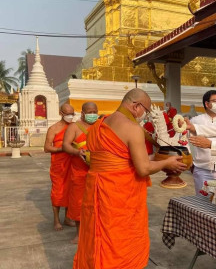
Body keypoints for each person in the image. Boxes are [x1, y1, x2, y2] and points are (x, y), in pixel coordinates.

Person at [74, 88, 187, 269]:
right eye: (146, 111)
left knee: (97, 235)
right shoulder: (132, 128)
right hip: (120, 196)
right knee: (121, 240)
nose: (146, 116)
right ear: (136, 106)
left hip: (96, 190)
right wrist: (166, 163)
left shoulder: (98, 126)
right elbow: (143, 168)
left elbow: (114, 159)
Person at [62, 102, 98, 244]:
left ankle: (95, 231)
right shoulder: (74, 127)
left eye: (95, 111)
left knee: (98, 203)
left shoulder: (100, 126)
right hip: (79, 171)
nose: (92, 114)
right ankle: (79, 233)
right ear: (82, 113)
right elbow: (65, 145)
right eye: (89, 111)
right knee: (79, 203)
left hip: (98, 170)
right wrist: (78, 152)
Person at [44, 104, 76, 231]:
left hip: (73, 163)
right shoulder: (54, 129)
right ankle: (56, 220)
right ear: (61, 113)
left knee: (71, 190)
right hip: (59, 165)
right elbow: (47, 148)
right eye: (68, 113)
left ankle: (68, 218)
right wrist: (62, 149)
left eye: (72, 114)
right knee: (58, 191)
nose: (70, 116)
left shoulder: (75, 127)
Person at [190, 90, 216, 195]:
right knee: (202, 201)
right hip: (202, 168)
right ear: (207, 104)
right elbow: (186, 141)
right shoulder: (195, 121)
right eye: (215, 101)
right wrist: (189, 160)